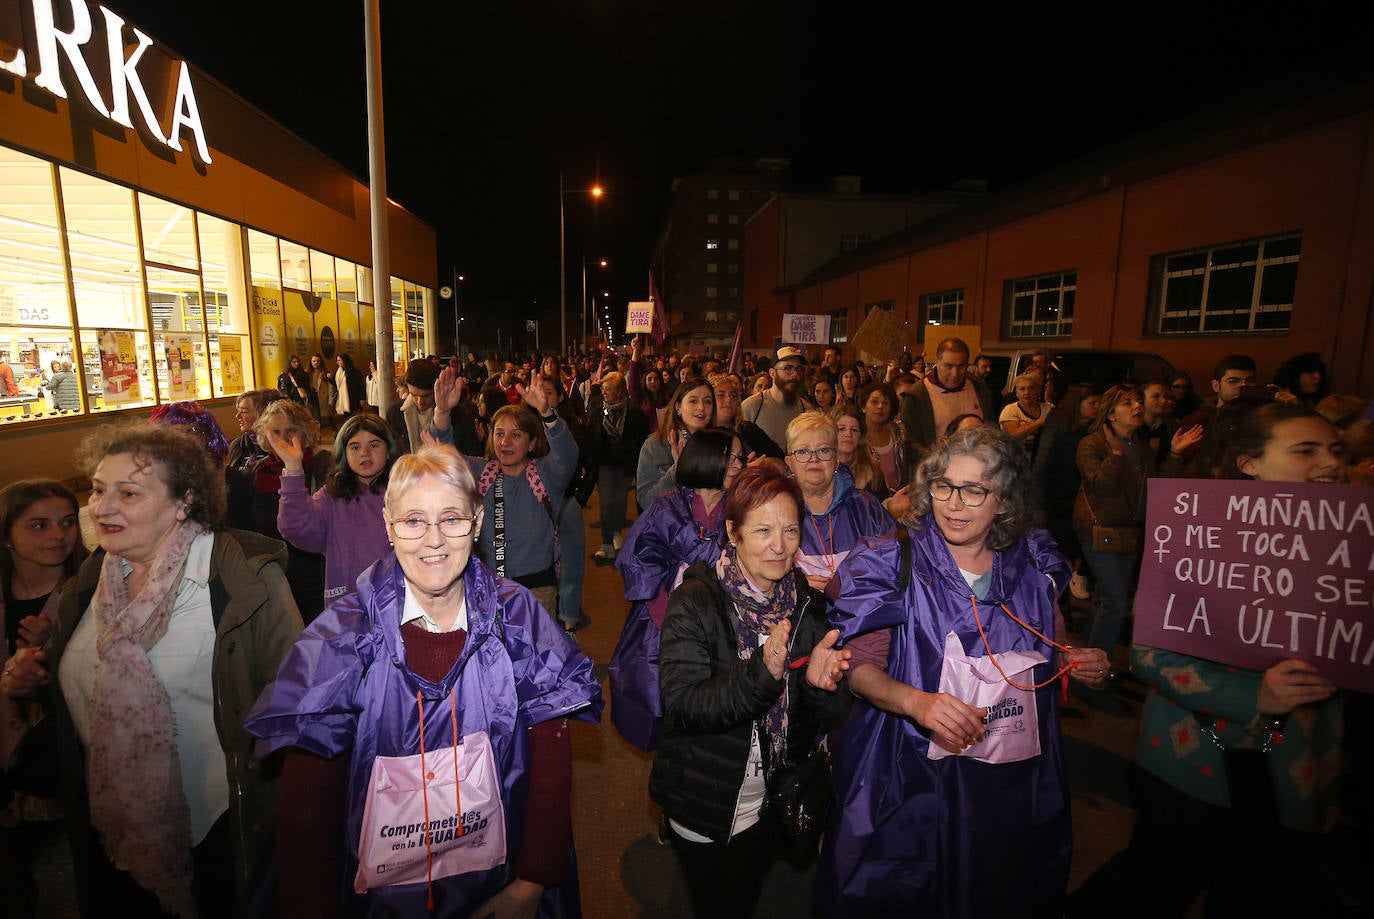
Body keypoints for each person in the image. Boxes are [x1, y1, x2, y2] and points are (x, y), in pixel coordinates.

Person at [244, 444, 603, 917]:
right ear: (389, 527)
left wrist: (532, 879)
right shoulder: (342, 639)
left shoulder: (517, 618)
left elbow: (551, 757)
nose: (433, 539)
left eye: (451, 518)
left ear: (476, 524)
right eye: (414, 521)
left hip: (496, 883)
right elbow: (307, 806)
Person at [3, 423, 302, 917]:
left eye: (128, 493)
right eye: (99, 490)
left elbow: (292, 702)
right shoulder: (95, 576)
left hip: (217, 829)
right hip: (110, 822)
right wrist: (42, 671)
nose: (101, 508)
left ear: (183, 501)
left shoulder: (241, 577)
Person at [815, 425, 1109, 917]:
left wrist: (1076, 659)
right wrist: (917, 702)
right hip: (912, 772)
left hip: (1010, 779)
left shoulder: (1032, 565)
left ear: (1004, 500)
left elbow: (1051, 642)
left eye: (974, 490)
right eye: (945, 486)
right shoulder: (893, 560)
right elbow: (861, 671)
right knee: (909, 887)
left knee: (996, 884)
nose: (955, 503)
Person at [1070, 403, 1348, 917]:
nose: (1328, 463)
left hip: (1301, 767)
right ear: (1248, 464)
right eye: (1305, 451)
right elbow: (1152, 652)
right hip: (1196, 758)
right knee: (1155, 881)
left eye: (1336, 450)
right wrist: (1251, 695)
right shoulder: (1199, 534)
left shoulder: (1354, 547)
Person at [649, 463, 854, 917]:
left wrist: (824, 687)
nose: (779, 546)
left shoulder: (804, 602)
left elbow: (828, 709)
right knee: (722, 901)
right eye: (762, 530)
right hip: (712, 797)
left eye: (789, 530)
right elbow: (685, 706)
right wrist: (763, 675)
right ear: (733, 531)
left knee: (752, 890)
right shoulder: (697, 602)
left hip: (777, 795)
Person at [610, 428, 744, 751]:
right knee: (670, 710)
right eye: (733, 458)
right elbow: (639, 561)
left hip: (728, 629)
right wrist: (670, 619)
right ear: (709, 459)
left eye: (740, 457)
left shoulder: (742, 508)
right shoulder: (667, 507)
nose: (740, 465)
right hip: (664, 624)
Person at [1073, 386, 1200, 711]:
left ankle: (1082, 661)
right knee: (1115, 600)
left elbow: (1157, 488)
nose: (1136, 407)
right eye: (1127, 403)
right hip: (1098, 531)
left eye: (1137, 402)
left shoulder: (1141, 448)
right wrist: (1115, 456)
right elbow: (1099, 485)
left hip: (1129, 532)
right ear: (1111, 413)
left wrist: (1173, 454)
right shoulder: (1093, 443)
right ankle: (1093, 673)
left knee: (1106, 599)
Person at [0, 479, 87, 918]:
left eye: (67, 522)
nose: (58, 535)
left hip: (63, 762)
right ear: (6, 535)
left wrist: (52, 655)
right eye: (38, 525)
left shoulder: (89, 590)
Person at [430, 365, 576, 620]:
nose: (505, 442)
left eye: (516, 435)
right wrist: (442, 412)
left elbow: (567, 454)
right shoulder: (480, 473)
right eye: (499, 434)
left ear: (532, 443)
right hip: (486, 588)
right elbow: (441, 458)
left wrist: (546, 413)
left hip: (536, 590)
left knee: (535, 655)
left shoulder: (544, 475)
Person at [270, 412, 398, 605]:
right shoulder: (333, 495)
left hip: (396, 602)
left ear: (388, 451)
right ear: (344, 454)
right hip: (347, 607)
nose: (364, 453)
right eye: (355, 447)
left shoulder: (403, 492)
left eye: (374, 445)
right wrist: (294, 469)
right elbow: (297, 529)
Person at [785, 412, 896, 593]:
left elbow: (893, 565)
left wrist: (846, 585)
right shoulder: (774, 511)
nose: (814, 458)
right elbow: (757, 573)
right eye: (803, 451)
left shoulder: (865, 507)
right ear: (789, 463)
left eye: (823, 450)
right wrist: (797, 585)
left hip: (862, 614)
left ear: (837, 460)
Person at [1032, 383, 1102, 605]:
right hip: (1055, 506)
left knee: (1067, 560)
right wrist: (1039, 507)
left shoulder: (1090, 433)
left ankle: (1059, 607)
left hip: (1075, 505)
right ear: (1076, 405)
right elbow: (1042, 469)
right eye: (1092, 403)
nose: (1097, 407)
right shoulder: (1058, 431)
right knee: (1053, 561)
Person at [587, 370, 648, 565]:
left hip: (625, 464)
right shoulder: (597, 409)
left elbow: (642, 438)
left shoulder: (634, 411)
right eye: (603, 389)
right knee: (606, 502)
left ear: (620, 391)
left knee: (619, 501)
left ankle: (616, 532)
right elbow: (589, 434)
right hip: (604, 464)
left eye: (609, 389)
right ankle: (607, 542)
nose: (604, 392)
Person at [899, 337, 999, 453]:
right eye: (948, 366)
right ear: (937, 361)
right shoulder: (918, 395)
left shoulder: (979, 388)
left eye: (961, 366)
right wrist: (936, 459)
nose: (955, 373)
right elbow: (910, 441)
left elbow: (991, 429)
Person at [636, 379, 716, 511]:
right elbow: (646, 501)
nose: (701, 407)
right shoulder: (656, 445)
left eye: (708, 401)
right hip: (670, 527)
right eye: (693, 401)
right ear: (678, 407)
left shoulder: (718, 444)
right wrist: (677, 470)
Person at [737, 346, 812, 456]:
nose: (795, 374)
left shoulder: (807, 411)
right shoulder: (752, 407)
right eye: (788, 368)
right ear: (772, 373)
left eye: (799, 369)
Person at [856, 381, 909, 495]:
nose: (880, 407)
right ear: (863, 407)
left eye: (885, 403)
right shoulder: (856, 439)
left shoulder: (898, 435)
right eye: (874, 402)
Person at [150, 400, 230, 466]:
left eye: (193, 430)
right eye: (177, 432)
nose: (185, 437)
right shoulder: (160, 476)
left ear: (207, 436)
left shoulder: (228, 477)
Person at [834, 405, 886, 499]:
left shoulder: (872, 471)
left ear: (860, 437)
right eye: (841, 429)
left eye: (854, 430)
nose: (848, 434)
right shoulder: (817, 466)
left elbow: (880, 508)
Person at [1000, 371, 1053, 462]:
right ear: (1017, 393)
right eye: (1022, 389)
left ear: (1038, 391)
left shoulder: (1048, 409)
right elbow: (1014, 434)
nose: (1027, 392)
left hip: (1042, 459)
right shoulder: (1010, 410)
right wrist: (1040, 422)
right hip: (1015, 459)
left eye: (1031, 388)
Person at [333, 353, 366, 418]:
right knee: (346, 417)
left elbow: (360, 385)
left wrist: (362, 398)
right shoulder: (339, 372)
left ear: (345, 360)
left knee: (354, 418)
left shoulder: (354, 372)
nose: (337, 362)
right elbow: (337, 384)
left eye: (339, 360)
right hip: (343, 399)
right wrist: (331, 378)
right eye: (337, 360)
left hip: (353, 399)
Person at [307, 353, 335, 427]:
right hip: (312, 396)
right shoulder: (308, 373)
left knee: (327, 417)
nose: (316, 363)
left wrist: (330, 400)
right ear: (311, 362)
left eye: (318, 361)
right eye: (314, 361)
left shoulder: (325, 372)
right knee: (315, 416)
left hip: (323, 396)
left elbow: (331, 387)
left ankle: (333, 430)